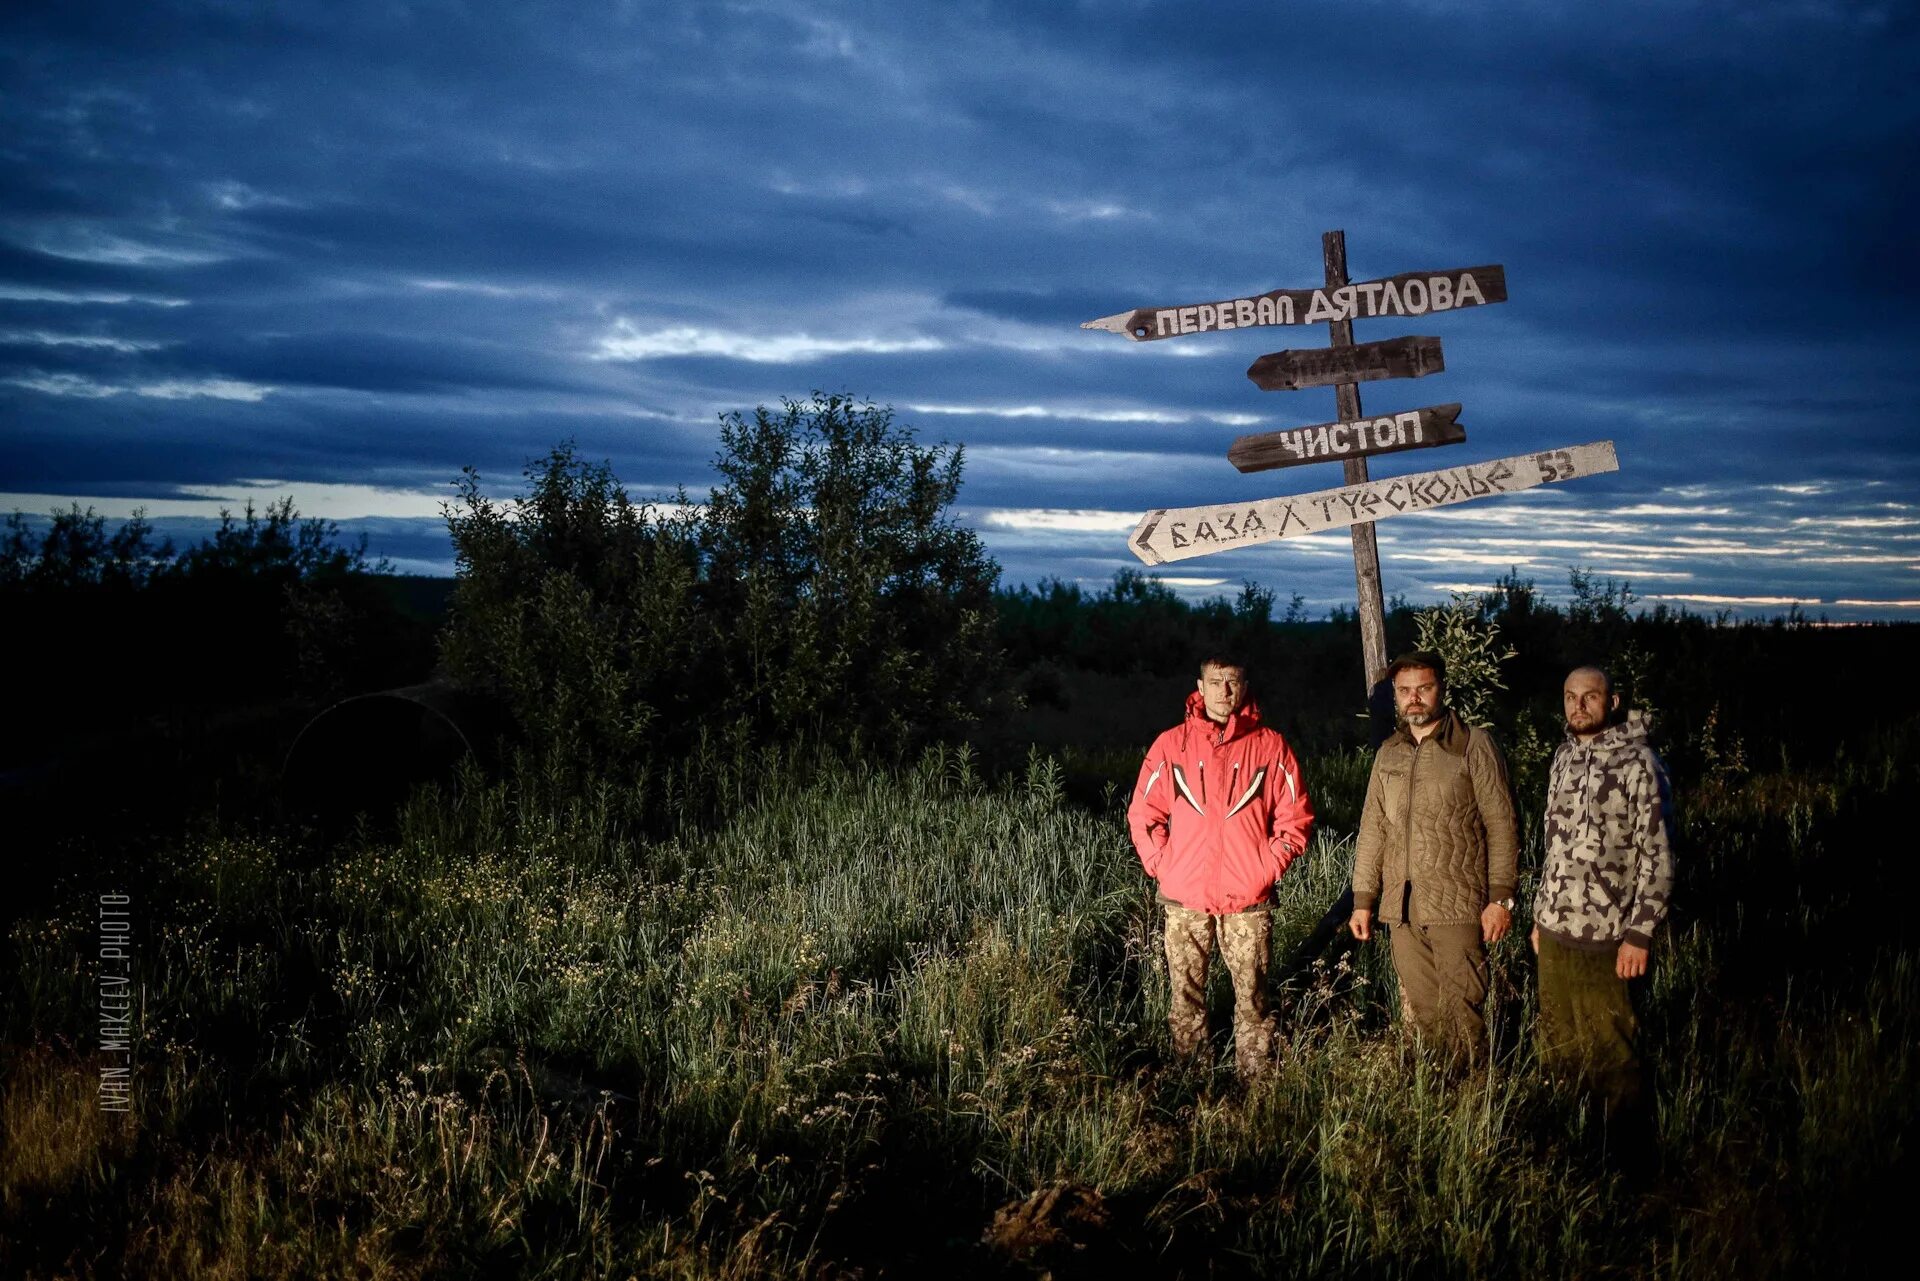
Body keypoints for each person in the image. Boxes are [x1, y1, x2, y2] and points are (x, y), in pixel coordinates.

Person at [1128, 656, 1314, 1077]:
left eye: (1232, 682)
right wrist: (1163, 864)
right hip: (1184, 897)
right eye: (1215, 682)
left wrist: (1265, 868)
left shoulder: (1271, 746)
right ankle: (1192, 1081)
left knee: (1253, 999)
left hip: (1248, 899)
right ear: (1200, 685)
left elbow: (1295, 818)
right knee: (1186, 996)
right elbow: (1143, 814)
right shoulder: (1170, 745)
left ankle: (1256, 1084)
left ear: (1245, 687)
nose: (1224, 691)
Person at [1349, 651, 1519, 1066]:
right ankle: (1442, 1098)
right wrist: (1363, 899)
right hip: (1402, 907)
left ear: (1441, 688)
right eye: (1405, 691)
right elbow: (1373, 828)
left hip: (1458, 903)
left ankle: (1476, 1100)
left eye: (1423, 688)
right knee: (1426, 1013)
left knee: (1465, 1008)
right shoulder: (1390, 751)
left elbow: (1503, 822)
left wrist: (1501, 898)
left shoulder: (1473, 744)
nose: (1414, 699)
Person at [1531, 665, 1674, 1124]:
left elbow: (1659, 855)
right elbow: (1552, 845)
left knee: (1611, 1048)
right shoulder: (1562, 757)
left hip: (1609, 935)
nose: (1579, 706)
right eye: (1570, 696)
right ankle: (1569, 1147)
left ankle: (1623, 1157)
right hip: (1556, 928)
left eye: (1590, 697)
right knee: (1557, 1042)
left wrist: (1640, 933)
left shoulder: (1639, 764)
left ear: (1611, 702)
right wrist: (1540, 915)